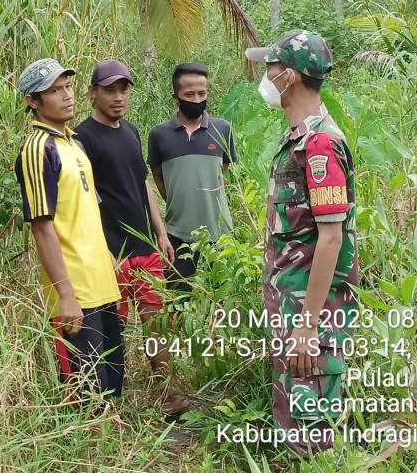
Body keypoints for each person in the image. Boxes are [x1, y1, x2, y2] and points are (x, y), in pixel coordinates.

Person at [246, 30, 358, 458]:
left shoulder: (320, 145)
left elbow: (331, 238)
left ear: (288, 77)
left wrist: (309, 326)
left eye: (270, 68)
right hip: (293, 307)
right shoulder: (297, 141)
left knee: (314, 435)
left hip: (311, 315)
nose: (265, 75)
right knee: (295, 421)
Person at [74, 59, 194, 420]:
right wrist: (103, 249)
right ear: (92, 92)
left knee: (156, 322)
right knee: (116, 328)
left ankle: (168, 393)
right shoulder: (82, 138)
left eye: (123, 89)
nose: (118, 96)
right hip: (113, 253)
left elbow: (142, 182)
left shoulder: (131, 131)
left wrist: (159, 231)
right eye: (109, 89)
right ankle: (113, 401)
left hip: (144, 248)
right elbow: (86, 197)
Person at [14, 58, 124, 410]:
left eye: (68, 87)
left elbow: (84, 211)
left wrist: (106, 255)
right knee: (88, 392)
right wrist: (65, 295)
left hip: (101, 283)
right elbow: (42, 227)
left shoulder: (73, 144)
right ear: (33, 101)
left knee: (111, 383)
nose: (66, 96)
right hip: (75, 289)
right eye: (54, 91)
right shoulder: (38, 149)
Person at [147, 62, 238, 291]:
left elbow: (224, 172)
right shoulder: (159, 134)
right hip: (178, 235)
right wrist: (179, 203)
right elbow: (158, 176)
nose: (196, 100)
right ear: (175, 97)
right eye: (189, 94)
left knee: (220, 304)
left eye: (202, 93)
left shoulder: (222, 129)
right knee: (180, 304)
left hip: (220, 236)